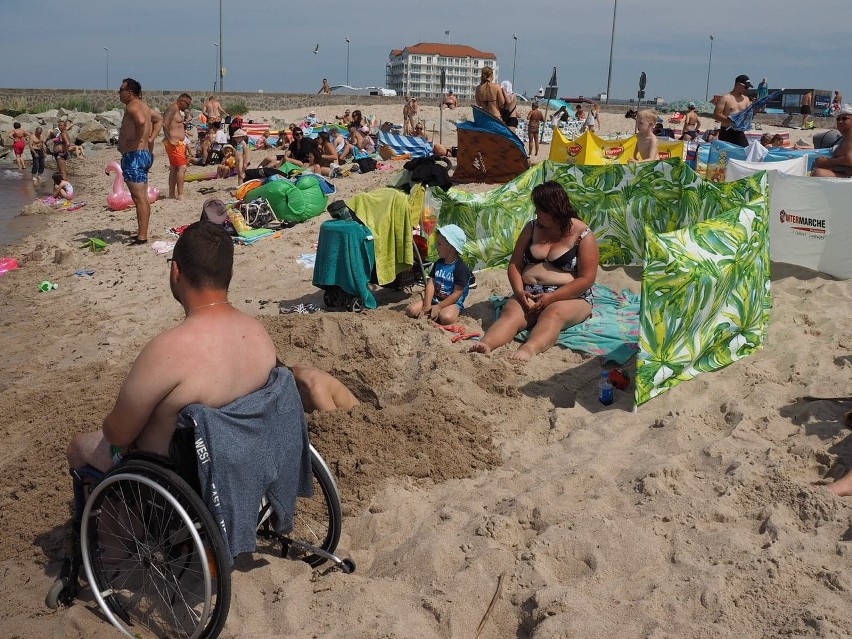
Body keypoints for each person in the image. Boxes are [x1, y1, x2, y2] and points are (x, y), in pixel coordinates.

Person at [65, 221, 358, 474]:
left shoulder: (166, 351)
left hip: (183, 478)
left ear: (176, 272)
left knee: (81, 447)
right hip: (244, 466)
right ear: (228, 274)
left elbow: (117, 433)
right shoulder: (258, 335)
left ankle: (118, 538)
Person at [470, 181, 598, 361]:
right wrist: (519, 291)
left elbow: (587, 278)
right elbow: (515, 264)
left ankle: (529, 349)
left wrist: (552, 297)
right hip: (530, 292)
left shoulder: (582, 234)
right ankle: (486, 343)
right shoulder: (532, 228)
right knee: (511, 313)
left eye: (540, 209)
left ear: (554, 210)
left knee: (553, 313)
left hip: (569, 296)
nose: (536, 213)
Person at [117, 77, 163, 245]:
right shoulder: (145, 106)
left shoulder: (132, 106)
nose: (119, 94)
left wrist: (137, 139)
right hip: (143, 155)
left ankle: (142, 236)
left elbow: (141, 121)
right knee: (141, 197)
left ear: (129, 92)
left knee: (139, 198)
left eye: (121, 90)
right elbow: (159, 119)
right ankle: (141, 233)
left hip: (135, 156)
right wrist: (150, 138)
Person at [405, 225, 471, 326]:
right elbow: (431, 284)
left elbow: (457, 294)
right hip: (435, 299)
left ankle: (444, 311)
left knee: (446, 318)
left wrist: (440, 307)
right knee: (411, 310)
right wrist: (427, 305)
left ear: (452, 248)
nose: (436, 246)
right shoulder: (439, 263)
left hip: (452, 302)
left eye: (439, 244)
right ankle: (433, 310)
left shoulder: (460, 268)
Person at [163, 93, 192, 200]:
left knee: (175, 168)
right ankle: (180, 194)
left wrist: (183, 132)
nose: (188, 107)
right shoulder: (172, 109)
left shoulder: (177, 110)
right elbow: (165, 124)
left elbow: (174, 125)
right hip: (174, 144)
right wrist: (170, 139)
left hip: (178, 143)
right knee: (182, 167)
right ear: (182, 102)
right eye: (187, 104)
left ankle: (171, 194)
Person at [812, 105, 852, 178]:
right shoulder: (845, 137)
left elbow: (850, 160)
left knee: (818, 173)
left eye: (844, 118)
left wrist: (827, 162)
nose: (840, 121)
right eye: (838, 119)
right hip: (844, 174)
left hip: (848, 177)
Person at [713, 75, 752, 147]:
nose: (746, 89)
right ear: (738, 85)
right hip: (726, 131)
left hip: (739, 132)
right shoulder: (725, 98)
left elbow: (749, 115)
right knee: (725, 154)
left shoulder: (746, 99)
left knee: (745, 151)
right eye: (745, 87)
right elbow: (716, 115)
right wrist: (731, 121)